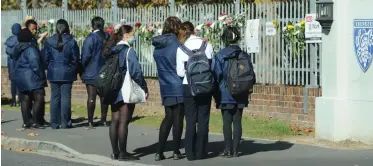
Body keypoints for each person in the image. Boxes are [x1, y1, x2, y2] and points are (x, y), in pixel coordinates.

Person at [103, 24, 148, 161]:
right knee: (124, 122)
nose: (134, 37)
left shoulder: (112, 50)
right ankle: (123, 153)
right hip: (125, 88)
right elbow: (135, 72)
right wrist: (144, 87)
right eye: (133, 34)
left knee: (114, 121)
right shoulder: (129, 51)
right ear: (126, 35)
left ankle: (115, 152)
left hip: (113, 88)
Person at [212, 26, 256, 158]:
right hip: (241, 92)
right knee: (237, 121)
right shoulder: (244, 55)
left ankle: (227, 149)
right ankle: (236, 150)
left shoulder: (220, 55)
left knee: (227, 122)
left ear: (224, 38)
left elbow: (216, 75)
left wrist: (215, 93)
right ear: (237, 37)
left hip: (225, 93)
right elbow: (250, 75)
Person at [176, 21, 214, 161]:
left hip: (188, 86)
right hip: (205, 86)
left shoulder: (181, 48)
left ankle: (190, 154)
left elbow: (180, 73)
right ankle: (201, 151)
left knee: (190, 119)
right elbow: (212, 66)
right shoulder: (207, 45)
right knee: (203, 119)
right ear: (194, 30)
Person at [152, 16, 184, 161]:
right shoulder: (176, 44)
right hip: (177, 84)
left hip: (165, 84)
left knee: (168, 118)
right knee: (178, 119)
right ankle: (176, 151)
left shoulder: (158, 45)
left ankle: (159, 151)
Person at [43, 19, 80, 129]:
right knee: (65, 98)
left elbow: (45, 58)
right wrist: (72, 69)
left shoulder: (49, 41)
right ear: (67, 28)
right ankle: (65, 122)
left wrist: (49, 67)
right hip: (67, 71)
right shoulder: (71, 41)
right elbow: (75, 58)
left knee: (54, 97)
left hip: (53, 71)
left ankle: (54, 122)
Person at [14, 28, 47, 129]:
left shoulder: (17, 48)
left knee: (25, 100)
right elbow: (35, 63)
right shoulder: (31, 49)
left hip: (20, 77)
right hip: (32, 77)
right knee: (39, 98)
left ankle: (26, 121)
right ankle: (35, 121)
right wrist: (41, 75)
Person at [81, 16, 110, 128]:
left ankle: (90, 121)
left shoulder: (91, 38)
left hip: (91, 71)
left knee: (91, 97)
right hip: (105, 71)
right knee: (103, 97)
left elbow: (85, 55)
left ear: (92, 26)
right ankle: (103, 120)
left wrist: (82, 67)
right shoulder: (108, 36)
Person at [5, 23, 22, 107]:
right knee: (20, 82)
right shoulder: (21, 39)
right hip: (20, 63)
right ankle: (19, 100)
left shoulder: (9, 40)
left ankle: (13, 101)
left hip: (11, 64)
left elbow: (7, 51)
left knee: (13, 83)